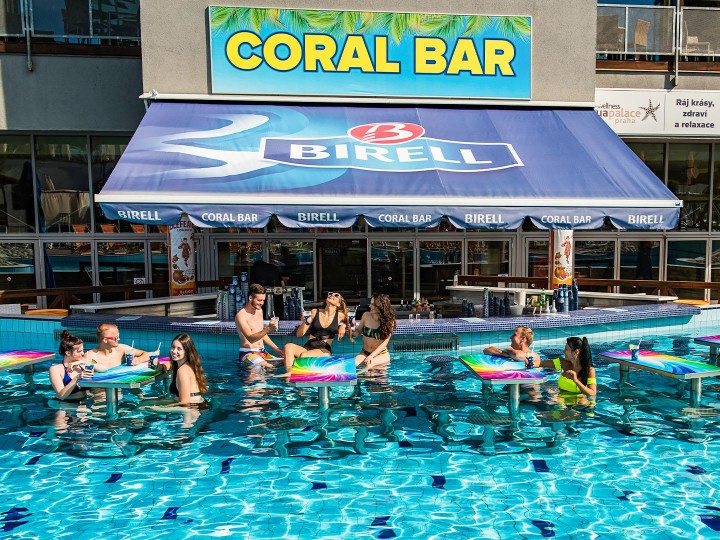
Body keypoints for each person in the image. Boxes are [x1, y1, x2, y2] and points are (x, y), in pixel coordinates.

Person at [281, 291, 349, 375]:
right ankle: (289, 373)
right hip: (308, 346)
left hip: (323, 350)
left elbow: (351, 323)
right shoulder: (314, 312)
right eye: (330, 294)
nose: (332, 295)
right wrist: (306, 322)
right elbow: (299, 334)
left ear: (339, 304)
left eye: (336, 295)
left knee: (304, 355)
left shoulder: (340, 316)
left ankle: (293, 375)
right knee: (288, 347)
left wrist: (343, 326)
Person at [235, 283, 283, 367]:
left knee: (286, 362)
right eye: (259, 300)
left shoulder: (259, 311)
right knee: (268, 366)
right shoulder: (241, 315)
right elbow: (250, 338)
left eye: (263, 300)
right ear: (250, 298)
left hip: (262, 352)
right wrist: (268, 328)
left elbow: (261, 334)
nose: (262, 303)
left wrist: (276, 348)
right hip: (247, 353)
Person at [158, 334, 208, 405]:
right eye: (173, 347)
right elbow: (168, 362)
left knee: (144, 408)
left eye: (179, 349)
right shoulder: (188, 364)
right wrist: (161, 366)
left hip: (191, 410)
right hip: (197, 404)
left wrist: (155, 409)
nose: (174, 351)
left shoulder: (183, 370)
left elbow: (185, 403)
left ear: (187, 352)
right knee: (145, 402)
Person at [353, 292, 395, 369]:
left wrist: (371, 356)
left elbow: (385, 342)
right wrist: (351, 329)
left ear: (381, 307)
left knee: (370, 366)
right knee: (353, 364)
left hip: (381, 354)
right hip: (365, 353)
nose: (370, 306)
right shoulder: (366, 315)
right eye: (371, 303)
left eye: (373, 305)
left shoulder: (389, 321)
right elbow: (358, 333)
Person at [49, 330, 91, 400]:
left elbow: (104, 368)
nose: (83, 353)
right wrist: (77, 378)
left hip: (85, 402)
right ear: (68, 353)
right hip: (65, 404)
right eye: (79, 351)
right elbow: (61, 396)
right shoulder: (55, 369)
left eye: (83, 350)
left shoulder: (83, 362)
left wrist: (81, 363)